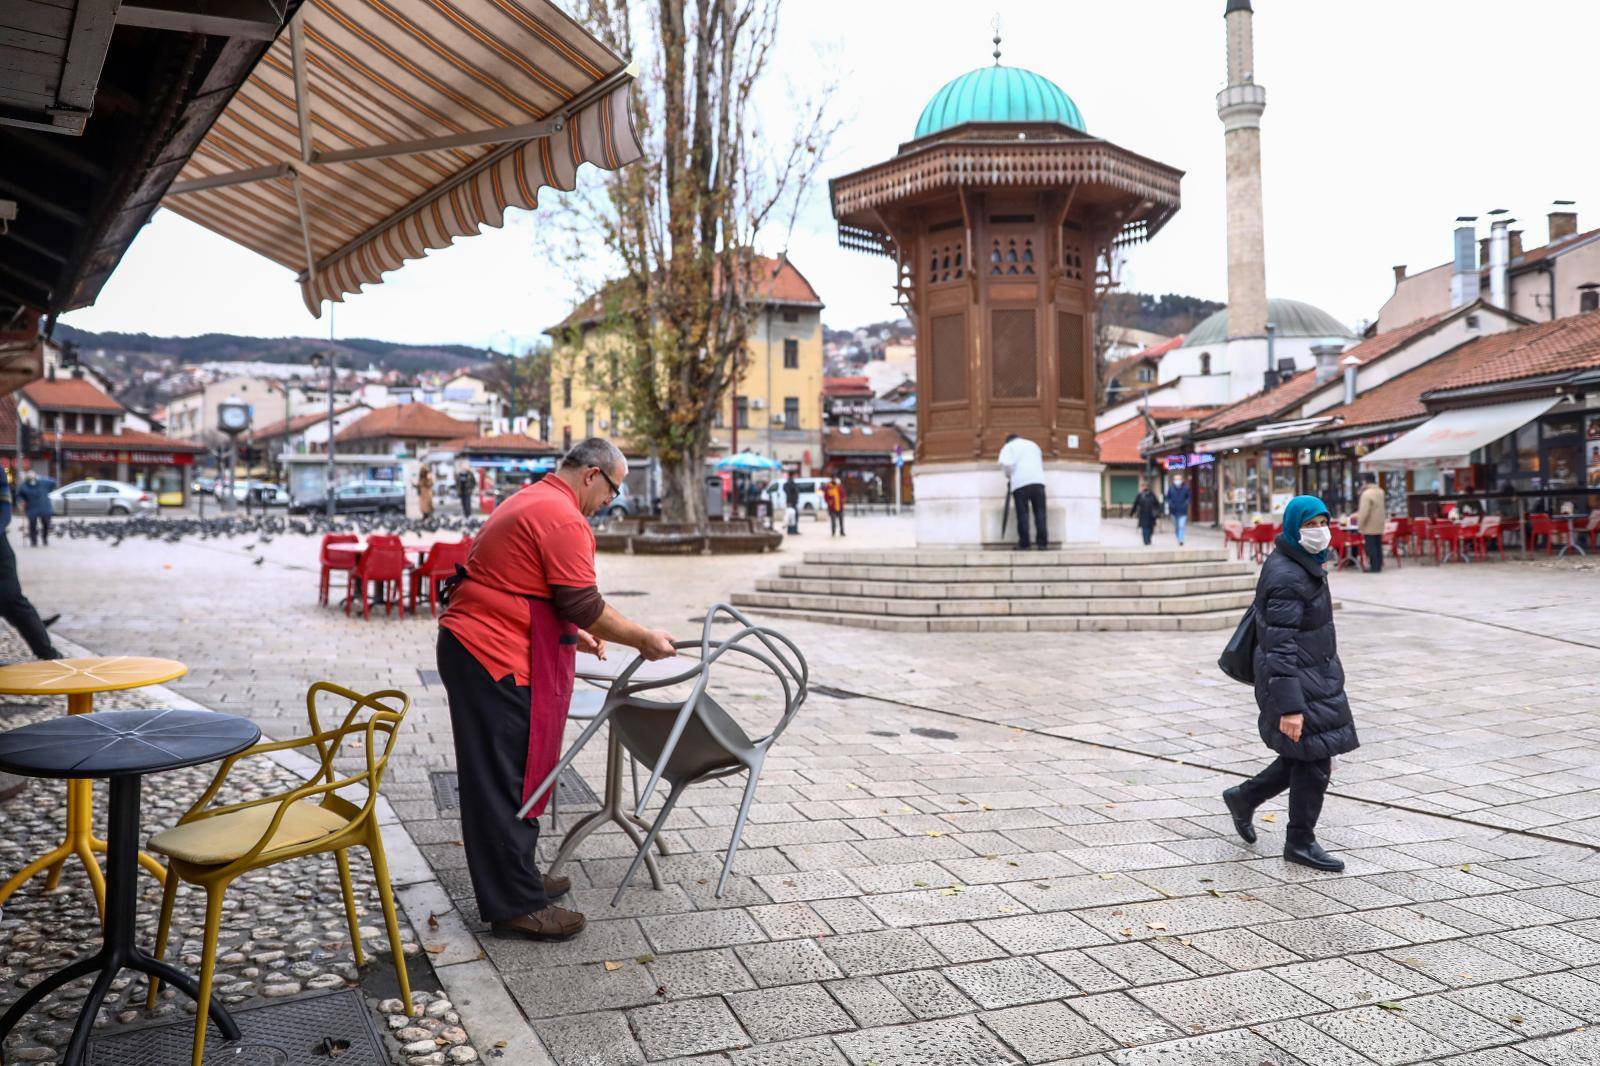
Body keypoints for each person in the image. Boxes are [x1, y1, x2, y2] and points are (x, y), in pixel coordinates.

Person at [437, 438, 676, 942]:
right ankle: (515, 906)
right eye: (613, 488)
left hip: (479, 643)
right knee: (506, 778)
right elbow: (582, 602)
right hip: (493, 654)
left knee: (509, 772)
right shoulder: (564, 517)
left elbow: (534, 589)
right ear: (591, 474)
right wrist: (642, 638)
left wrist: (572, 634)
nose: (611, 500)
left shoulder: (534, 499)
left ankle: (518, 878)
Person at [1222, 495, 1357, 872]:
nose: (1318, 532)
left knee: (1305, 756)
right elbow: (1279, 648)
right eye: (1309, 525)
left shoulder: (1303, 562)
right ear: (1293, 527)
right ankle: (1299, 842)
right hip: (1297, 680)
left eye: (1322, 523)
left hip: (1313, 674)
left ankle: (1244, 798)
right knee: (1314, 760)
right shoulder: (1287, 575)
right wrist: (1291, 707)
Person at [0, 467, 60, 660]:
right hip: (33, 511)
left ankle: (48, 653)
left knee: (11, 597)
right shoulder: (26, 486)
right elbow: (20, 494)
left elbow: (4, 505)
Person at [998, 433, 1047, 550]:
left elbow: (1006, 464)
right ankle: (1042, 543)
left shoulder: (1009, 447)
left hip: (1020, 483)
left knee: (1023, 514)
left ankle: (1025, 544)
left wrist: (1009, 475)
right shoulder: (1033, 445)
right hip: (1038, 481)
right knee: (1040, 513)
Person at [15, 471, 56, 547]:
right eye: (29, 477)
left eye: (33, 476)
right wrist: (21, 500)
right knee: (32, 525)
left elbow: (53, 482)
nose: (31, 478)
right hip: (32, 507)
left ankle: (45, 539)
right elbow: (19, 495)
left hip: (44, 506)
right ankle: (34, 541)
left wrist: (40, 477)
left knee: (46, 524)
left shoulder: (43, 482)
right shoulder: (24, 485)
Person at [1356, 472, 1385, 572]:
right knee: (1378, 545)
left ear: (1365, 481)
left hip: (1369, 524)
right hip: (1379, 523)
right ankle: (1379, 565)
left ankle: (1374, 567)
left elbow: (1364, 511)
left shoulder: (1367, 494)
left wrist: (1360, 524)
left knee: (1371, 546)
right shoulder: (1380, 491)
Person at [1131, 480, 1161, 546]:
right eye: (1143, 486)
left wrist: (1158, 511)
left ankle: (1149, 539)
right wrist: (1132, 513)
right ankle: (1146, 541)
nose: (1144, 487)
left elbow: (1157, 504)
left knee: (1151, 528)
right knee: (1144, 528)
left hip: (1151, 515)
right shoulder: (1140, 495)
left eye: (1145, 486)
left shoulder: (1152, 495)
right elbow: (1135, 504)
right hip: (1143, 514)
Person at [1165, 474, 1190, 546]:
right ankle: (1179, 537)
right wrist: (1170, 503)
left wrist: (1186, 503)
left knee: (1181, 526)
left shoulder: (1186, 488)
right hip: (1173, 511)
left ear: (1182, 480)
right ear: (1173, 481)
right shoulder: (1171, 488)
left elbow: (1188, 497)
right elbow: (1167, 498)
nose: (1177, 481)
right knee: (1176, 527)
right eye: (1176, 479)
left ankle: (1181, 540)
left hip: (1183, 511)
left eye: (1179, 479)